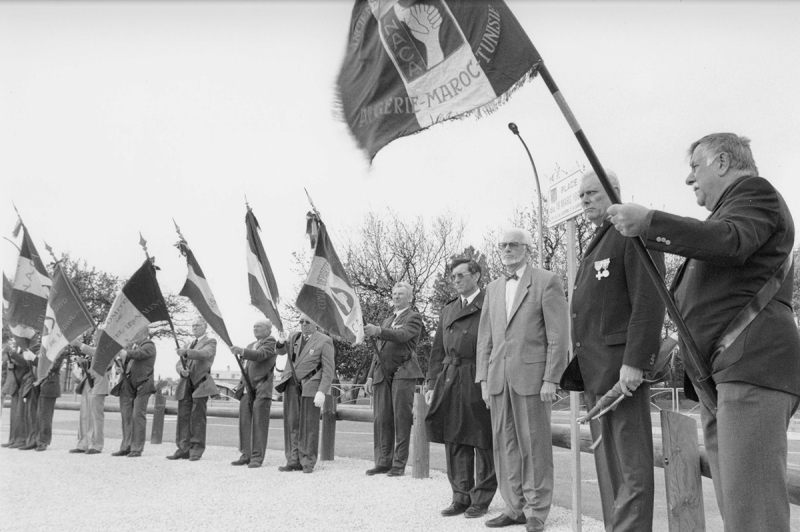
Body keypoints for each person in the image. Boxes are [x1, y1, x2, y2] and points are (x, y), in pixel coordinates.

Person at [606, 132, 800, 532]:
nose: (689, 178)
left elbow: (730, 242)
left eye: (695, 166)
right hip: (728, 374)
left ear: (724, 163)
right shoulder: (730, 213)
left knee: (754, 515)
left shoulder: (755, 193)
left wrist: (650, 222)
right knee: (739, 509)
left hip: (751, 369)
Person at [570, 169, 665, 531]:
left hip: (621, 372)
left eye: (592, 193)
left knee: (631, 469)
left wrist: (635, 362)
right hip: (597, 371)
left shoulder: (630, 231)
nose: (585, 200)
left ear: (614, 192)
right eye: (581, 196)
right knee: (609, 468)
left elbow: (649, 300)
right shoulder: (600, 239)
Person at [476, 228, 569, 532]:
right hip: (498, 380)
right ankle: (514, 507)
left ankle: (536, 511)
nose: (507, 249)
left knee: (534, 446)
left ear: (528, 249)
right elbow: (485, 339)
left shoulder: (547, 281)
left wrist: (551, 378)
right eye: (502, 245)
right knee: (505, 445)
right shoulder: (491, 288)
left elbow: (558, 335)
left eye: (514, 245)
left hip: (533, 378)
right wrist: (484, 380)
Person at [425, 258, 496, 518]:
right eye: (452, 276)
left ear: (476, 275)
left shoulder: (490, 302)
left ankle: (482, 497)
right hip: (450, 376)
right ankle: (460, 496)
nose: (455, 281)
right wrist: (432, 382)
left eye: (460, 275)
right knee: (454, 437)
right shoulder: (449, 309)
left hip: (479, 375)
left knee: (482, 438)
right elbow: (436, 350)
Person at [363, 282, 425, 477]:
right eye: (394, 294)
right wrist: (370, 376)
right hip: (382, 373)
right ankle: (383, 461)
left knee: (401, 419)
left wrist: (379, 331)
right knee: (382, 419)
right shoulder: (387, 319)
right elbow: (378, 351)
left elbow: (402, 335)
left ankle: (399, 464)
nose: (396, 297)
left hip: (403, 372)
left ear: (409, 297)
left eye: (400, 294)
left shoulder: (413, 317)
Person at [274, 314, 335, 474]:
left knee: (309, 426)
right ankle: (293, 459)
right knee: (291, 423)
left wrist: (322, 391)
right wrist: (281, 341)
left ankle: (307, 461)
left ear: (316, 324)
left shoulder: (324, 340)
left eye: (307, 322)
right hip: (291, 385)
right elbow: (280, 352)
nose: (303, 324)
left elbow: (328, 369)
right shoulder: (294, 337)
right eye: (301, 321)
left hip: (310, 386)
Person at [230, 318, 278, 468]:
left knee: (259, 423)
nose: (255, 329)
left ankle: (257, 457)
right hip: (247, 389)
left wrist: (242, 351)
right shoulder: (251, 345)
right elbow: (246, 367)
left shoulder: (271, 342)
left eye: (259, 327)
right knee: (245, 422)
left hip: (262, 388)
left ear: (268, 330)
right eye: (254, 326)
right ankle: (246, 454)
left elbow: (259, 355)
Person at [168, 318, 218, 461]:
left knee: (197, 419)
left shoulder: (210, 342)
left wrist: (186, 352)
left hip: (200, 384)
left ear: (205, 326)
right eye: (193, 325)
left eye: (197, 325)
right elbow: (179, 363)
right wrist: (181, 370)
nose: (194, 327)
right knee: (183, 417)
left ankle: (196, 449)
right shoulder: (188, 343)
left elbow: (204, 354)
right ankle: (182, 448)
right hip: (186, 384)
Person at [110, 326, 156, 458]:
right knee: (126, 417)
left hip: (143, 385)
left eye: (137, 332)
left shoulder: (149, 345)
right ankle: (126, 446)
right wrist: (121, 369)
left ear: (145, 333)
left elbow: (140, 354)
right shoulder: (134, 347)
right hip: (128, 385)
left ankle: (136, 448)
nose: (134, 334)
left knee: (137, 417)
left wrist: (127, 353)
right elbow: (131, 362)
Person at [69, 332, 111, 455]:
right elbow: (91, 365)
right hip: (88, 383)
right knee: (85, 414)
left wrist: (79, 344)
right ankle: (84, 443)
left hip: (98, 385)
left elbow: (95, 353)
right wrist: (83, 363)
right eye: (95, 336)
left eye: (98, 336)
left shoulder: (107, 349)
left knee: (96, 416)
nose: (95, 338)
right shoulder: (95, 350)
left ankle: (97, 444)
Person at [30, 345, 66, 452]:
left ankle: (43, 441)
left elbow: (51, 366)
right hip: (41, 386)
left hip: (50, 386)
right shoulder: (46, 351)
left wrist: (34, 359)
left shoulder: (59, 350)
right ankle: (38, 439)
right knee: (39, 416)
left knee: (45, 416)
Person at [1, 337, 30, 449]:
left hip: (23, 385)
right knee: (14, 415)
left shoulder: (27, 352)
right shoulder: (19, 353)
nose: (18, 343)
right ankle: (13, 439)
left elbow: (27, 366)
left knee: (20, 414)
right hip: (16, 386)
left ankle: (21, 439)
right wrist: (11, 366)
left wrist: (13, 356)